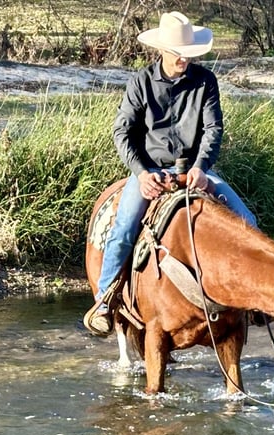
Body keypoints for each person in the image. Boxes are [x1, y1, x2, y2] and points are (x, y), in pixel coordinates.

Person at [84, 11, 257, 337]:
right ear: (162, 49)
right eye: (177, 51)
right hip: (151, 171)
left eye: (188, 52)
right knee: (122, 229)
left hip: (195, 171)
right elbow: (123, 133)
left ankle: (251, 301)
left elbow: (213, 130)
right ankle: (104, 300)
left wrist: (201, 169)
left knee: (246, 220)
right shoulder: (141, 82)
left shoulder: (205, 81)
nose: (183, 58)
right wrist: (141, 173)